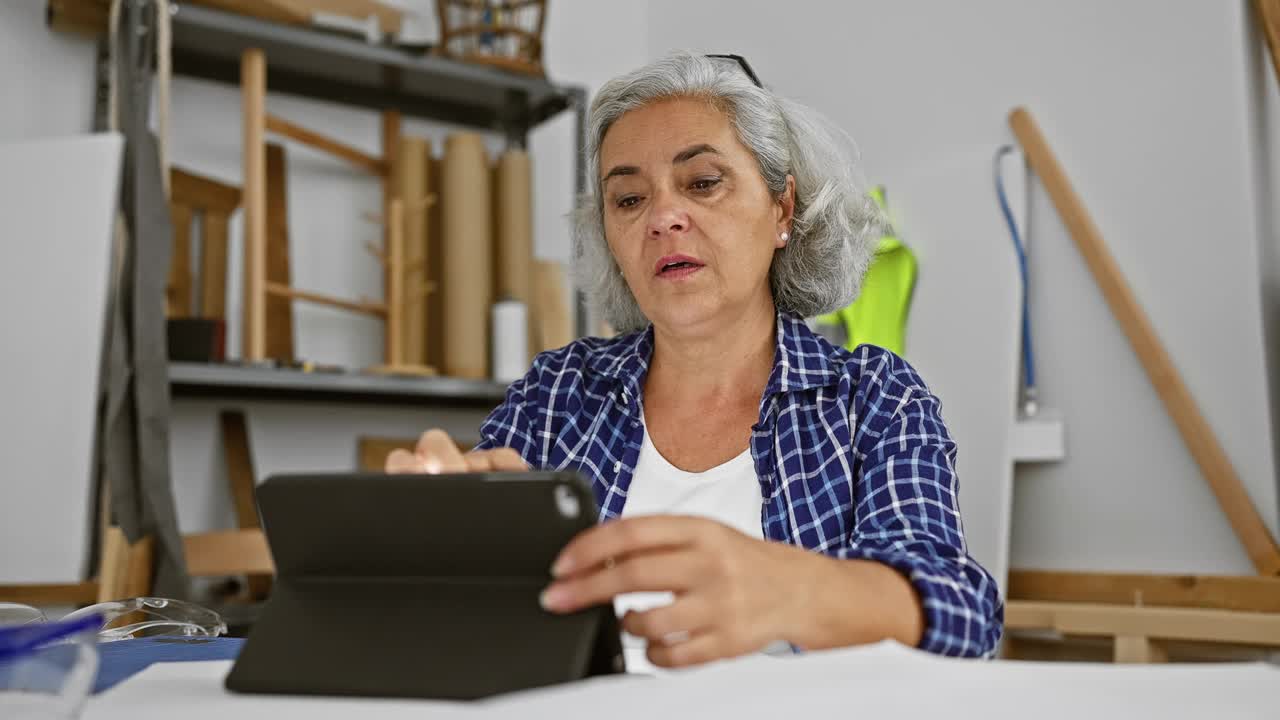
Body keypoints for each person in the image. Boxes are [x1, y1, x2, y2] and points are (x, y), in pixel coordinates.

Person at [388, 52, 1002, 668]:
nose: (662, 218)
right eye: (628, 199)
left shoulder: (873, 397)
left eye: (703, 183)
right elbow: (463, 609)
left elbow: (964, 614)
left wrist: (792, 590)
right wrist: (442, 533)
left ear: (781, 209)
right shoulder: (559, 391)